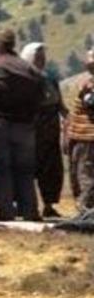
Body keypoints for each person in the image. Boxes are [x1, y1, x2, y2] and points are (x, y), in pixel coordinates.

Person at [0, 28, 43, 221]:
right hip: (25, 125)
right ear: (13, 44)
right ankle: (30, 211)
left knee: (2, 169)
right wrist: (33, 116)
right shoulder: (28, 68)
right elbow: (41, 94)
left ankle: (6, 211)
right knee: (26, 170)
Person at [21, 42, 67, 218]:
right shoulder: (24, 78)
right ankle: (25, 205)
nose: (42, 60)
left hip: (51, 129)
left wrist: (68, 118)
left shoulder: (50, 78)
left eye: (43, 56)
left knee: (51, 169)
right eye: (37, 56)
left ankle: (48, 204)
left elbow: (59, 103)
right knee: (28, 167)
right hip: (32, 129)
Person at [65, 49, 94, 217]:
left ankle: (87, 212)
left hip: (88, 137)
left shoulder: (89, 86)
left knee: (86, 176)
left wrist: (86, 92)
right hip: (80, 135)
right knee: (79, 174)